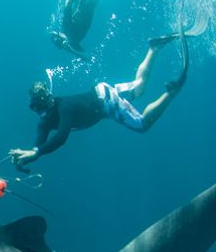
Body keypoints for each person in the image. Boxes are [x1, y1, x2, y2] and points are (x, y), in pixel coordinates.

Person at [10, 28, 189, 168]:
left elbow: (62, 136)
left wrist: (37, 153)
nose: (41, 111)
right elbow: (39, 144)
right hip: (103, 93)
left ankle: (171, 92)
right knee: (139, 86)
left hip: (106, 102)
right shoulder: (44, 122)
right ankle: (154, 47)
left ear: (49, 98)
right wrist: (30, 154)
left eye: (41, 105)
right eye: (36, 108)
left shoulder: (64, 107)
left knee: (141, 124)